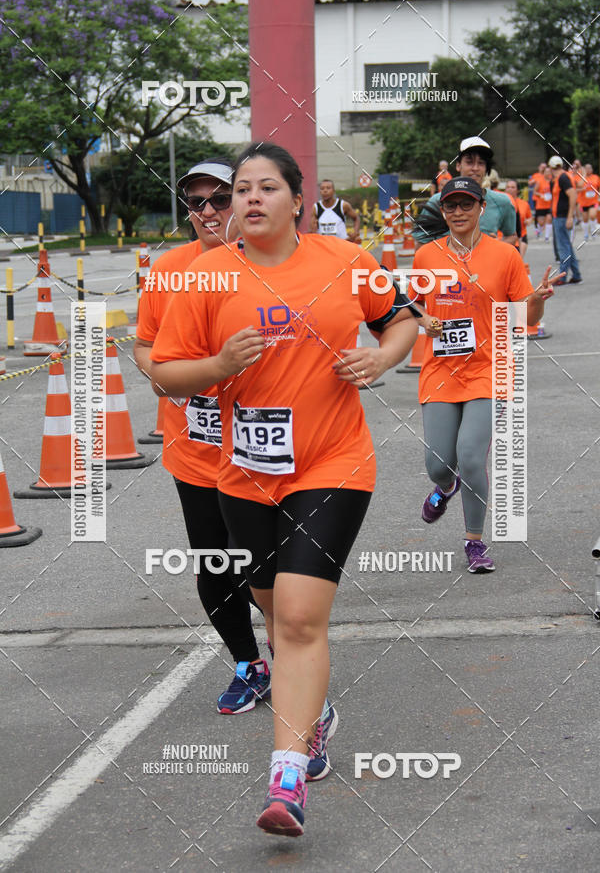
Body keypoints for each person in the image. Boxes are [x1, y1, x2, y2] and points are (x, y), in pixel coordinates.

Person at [151, 142, 418, 837]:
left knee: (299, 617)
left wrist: (382, 357)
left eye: (265, 187)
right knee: (275, 613)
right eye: (240, 189)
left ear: (299, 199)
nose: (248, 199)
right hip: (242, 475)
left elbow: (402, 318)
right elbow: (167, 375)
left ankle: (286, 778)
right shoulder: (206, 277)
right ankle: (316, 715)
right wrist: (218, 363)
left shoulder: (344, 261)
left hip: (333, 462)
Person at [134, 158, 270, 715]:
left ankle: (298, 658)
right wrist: (163, 375)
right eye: (197, 202)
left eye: (220, 198)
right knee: (215, 565)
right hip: (195, 448)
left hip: (265, 449)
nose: (209, 211)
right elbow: (144, 345)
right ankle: (249, 664)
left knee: (268, 568)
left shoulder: (274, 263)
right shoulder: (169, 270)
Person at [408, 177, 560, 573]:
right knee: (439, 464)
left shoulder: (504, 255)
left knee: (471, 456)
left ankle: (474, 542)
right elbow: (410, 307)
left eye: (466, 205)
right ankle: (445, 487)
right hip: (440, 370)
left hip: (489, 368)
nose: (458, 212)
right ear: (443, 211)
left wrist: (538, 301)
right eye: (450, 206)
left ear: (480, 208)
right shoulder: (426, 256)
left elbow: (524, 315)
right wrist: (424, 320)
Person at [413, 137, 517, 246]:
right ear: (458, 165)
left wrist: (495, 247)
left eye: (481, 163)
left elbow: (511, 236)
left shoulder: (502, 202)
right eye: (469, 162)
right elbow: (421, 243)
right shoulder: (437, 201)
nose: (475, 168)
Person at [548, 155, 583, 284]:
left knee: (563, 247)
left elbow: (573, 195)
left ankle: (562, 277)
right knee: (567, 246)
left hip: (562, 217)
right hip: (560, 216)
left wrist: (570, 217)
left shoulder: (563, 177)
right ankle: (577, 274)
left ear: (551, 167)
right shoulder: (559, 178)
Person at [505, 179, 532, 257]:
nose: (510, 189)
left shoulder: (524, 204)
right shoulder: (501, 203)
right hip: (505, 237)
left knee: (519, 260)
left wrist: (528, 221)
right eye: (508, 187)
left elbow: (530, 217)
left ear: (517, 190)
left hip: (521, 236)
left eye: (513, 187)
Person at [578, 163, 600, 240]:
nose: (588, 170)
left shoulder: (596, 177)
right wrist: (583, 175)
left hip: (593, 201)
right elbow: (578, 186)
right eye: (586, 168)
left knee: (592, 216)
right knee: (585, 219)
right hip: (583, 202)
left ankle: (593, 232)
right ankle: (586, 234)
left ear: (592, 169)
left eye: (589, 168)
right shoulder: (581, 178)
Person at [532, 167, 553, 242]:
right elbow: (535, 192)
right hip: (541, 204)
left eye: (549, 172)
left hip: (549, 204)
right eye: (546, 172)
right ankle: (539, 231)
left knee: (549, 219)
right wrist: (541, 195)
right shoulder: (540, 181)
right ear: (544, 173)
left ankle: (547, 237)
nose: (548, 173)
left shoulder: (552, 181)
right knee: (541, 222)